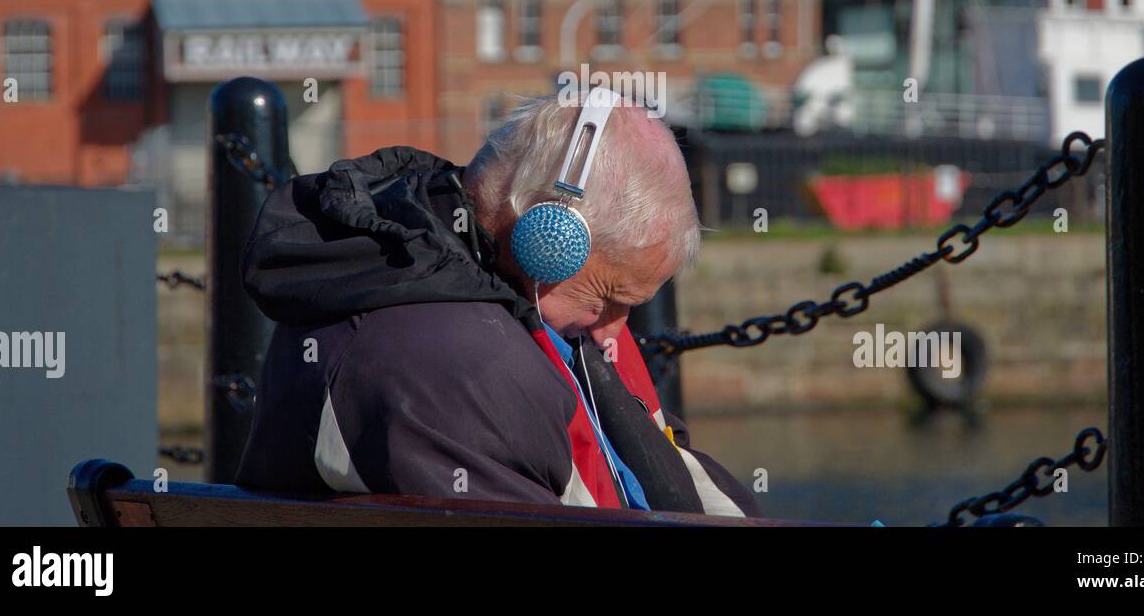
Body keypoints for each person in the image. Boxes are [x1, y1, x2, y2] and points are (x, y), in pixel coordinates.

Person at [235, 88, 759, 517]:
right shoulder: (449, 368)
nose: (612, 333)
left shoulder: (499, 310)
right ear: (547, 237)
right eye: (607, 299)